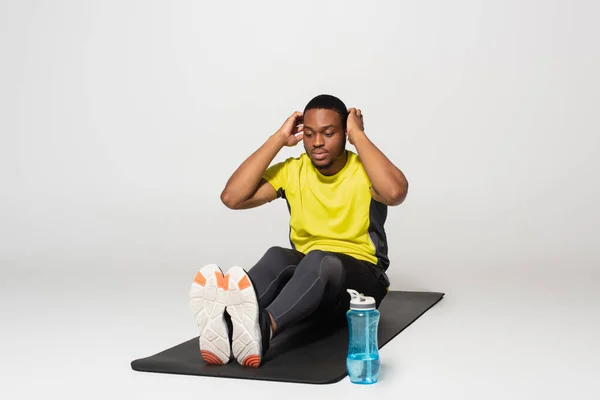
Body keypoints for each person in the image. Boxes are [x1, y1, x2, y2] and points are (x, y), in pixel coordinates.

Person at [189, 94, 409, 367]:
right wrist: (278, 139)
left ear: (344, 133)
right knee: (278, 256)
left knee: (320, 259)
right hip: (310, 281)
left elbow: (395, 191)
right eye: (309, 134)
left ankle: (262, 329)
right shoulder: (294, 170)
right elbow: (232, 197)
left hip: (362, 283)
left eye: (329, 133)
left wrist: (359, 135)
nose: (317, 142)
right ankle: (226, 324)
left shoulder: (365, 171)